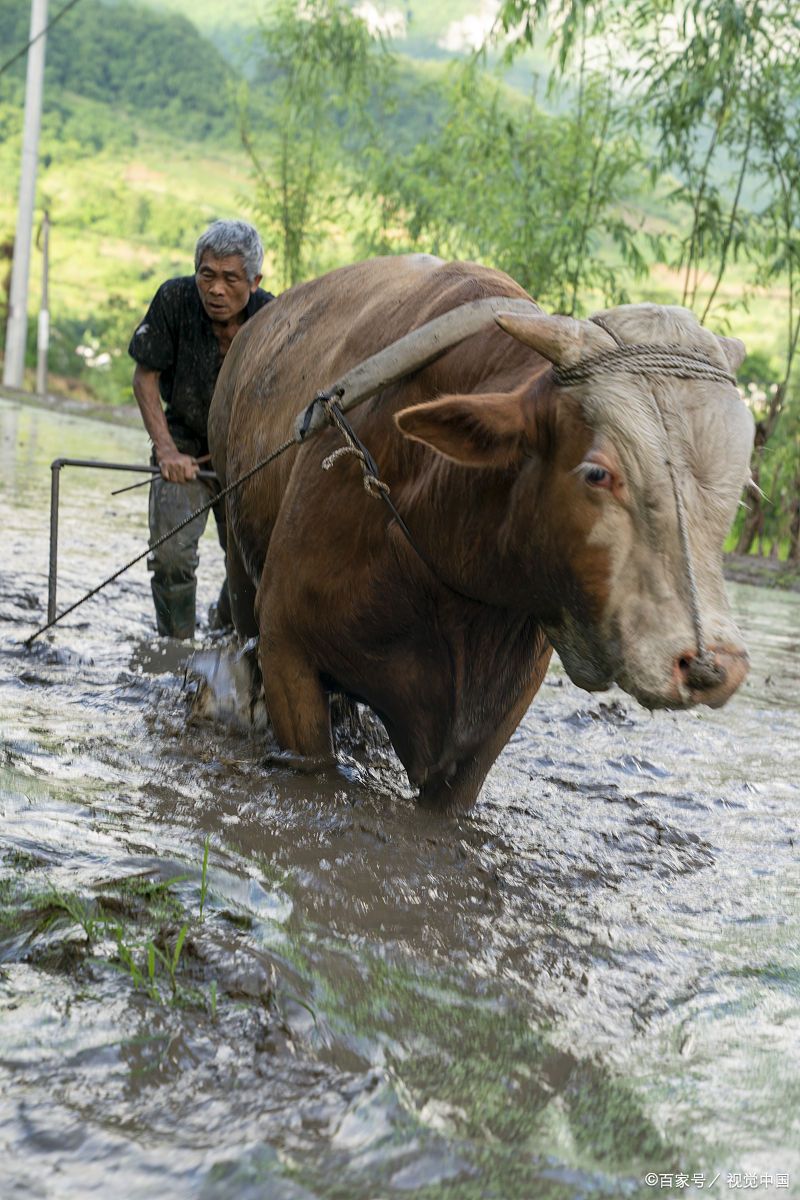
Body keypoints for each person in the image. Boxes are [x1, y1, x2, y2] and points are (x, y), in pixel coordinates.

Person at [128, 219, 274, 638]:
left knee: (255, 565)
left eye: (230, 278)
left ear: (254, 281)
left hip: (245, 456)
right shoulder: (174, 299)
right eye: (207, 275)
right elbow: (145, 378)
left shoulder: (273, 316)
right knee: (171, 557)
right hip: (184, 446)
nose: (216, 289)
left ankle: (227, 631)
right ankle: (177, 650)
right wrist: (166, 451)